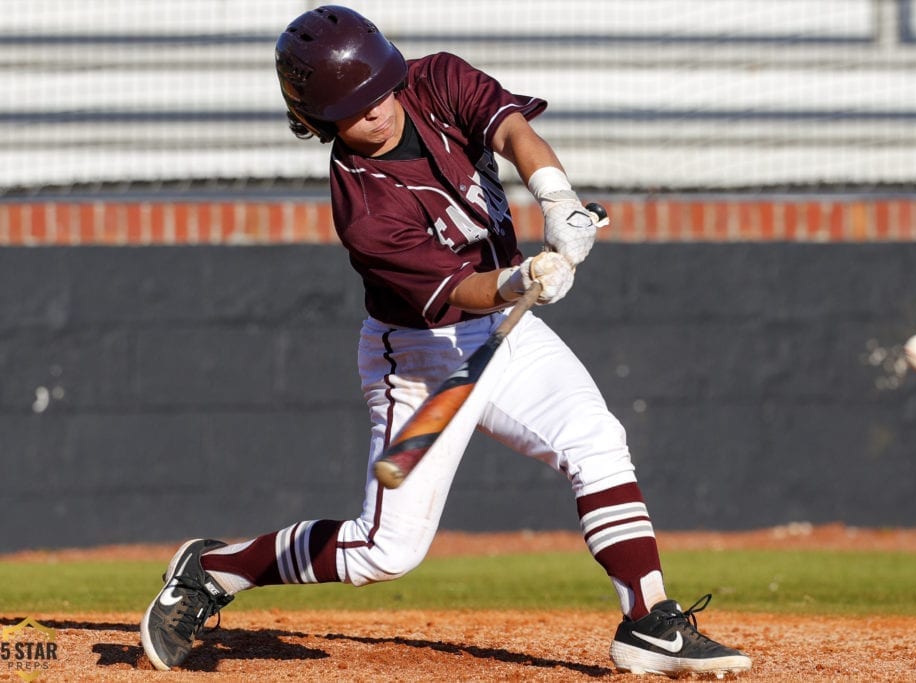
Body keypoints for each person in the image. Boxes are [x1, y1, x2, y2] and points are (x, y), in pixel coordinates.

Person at [139, 5, 752, 678]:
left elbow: (514, 131)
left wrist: (557, 199)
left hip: (502, 330)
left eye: (380, 86)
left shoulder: (436, 81)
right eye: (353, 105)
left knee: (595, 437)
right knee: (384, 552)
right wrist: (524, 276)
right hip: (420, 353)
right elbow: (461, 289)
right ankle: (214, 568)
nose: (377, 109)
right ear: (317, 121)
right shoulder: (365, 210)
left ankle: (648, 620)